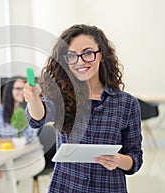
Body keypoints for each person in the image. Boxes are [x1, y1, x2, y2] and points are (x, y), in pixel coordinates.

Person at [23, 24, 143, 193]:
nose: (80, 62)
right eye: (71, 56)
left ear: (101, 55)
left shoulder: (126, 103)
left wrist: (118, 160)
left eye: (87, 53)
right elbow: (37, 118)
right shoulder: (60, 98)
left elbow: (135, 158)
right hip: (66, 187)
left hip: (108, 188)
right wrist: (33, 100)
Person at [0, 76, 45, 193]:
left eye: (23, 89)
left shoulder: (32, 109)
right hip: (8, 159)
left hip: (31, 158)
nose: (21, 92)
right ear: (10, 90)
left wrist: (3, 141)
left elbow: (28, 139)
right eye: (17, 88)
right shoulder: (1, 110)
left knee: (0, 177)